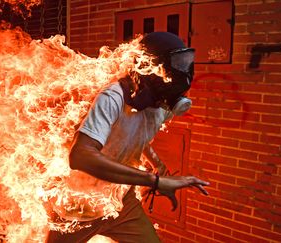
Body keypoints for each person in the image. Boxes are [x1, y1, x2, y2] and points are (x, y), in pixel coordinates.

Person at [46, 32, 210, 243]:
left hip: (121, 201)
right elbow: (81, 155)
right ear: (149, 66)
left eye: (186, 62)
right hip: (80, 206)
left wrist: (157, 165)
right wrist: (156, 181)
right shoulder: (112, 98)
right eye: (177, 63)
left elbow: (136, 135)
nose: (183, 72)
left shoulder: (161, 105)